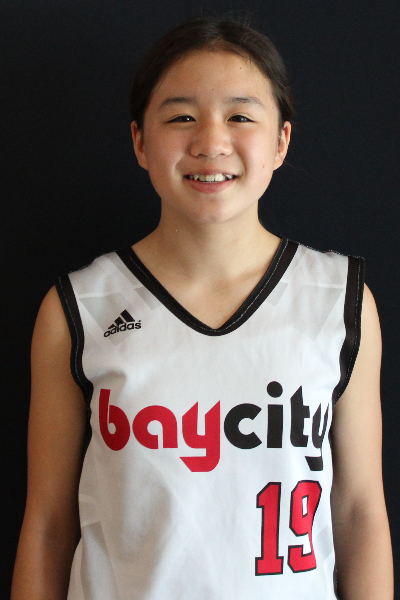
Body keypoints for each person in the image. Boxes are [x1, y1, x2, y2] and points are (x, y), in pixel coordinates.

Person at [11, 17, 393, 600]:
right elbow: (47, 523)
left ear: (281, 141)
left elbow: (361, 511)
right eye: (181, 117)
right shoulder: (78, 309)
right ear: (140, 141)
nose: (211, 142)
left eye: (240, 116)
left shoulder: (338, 300)